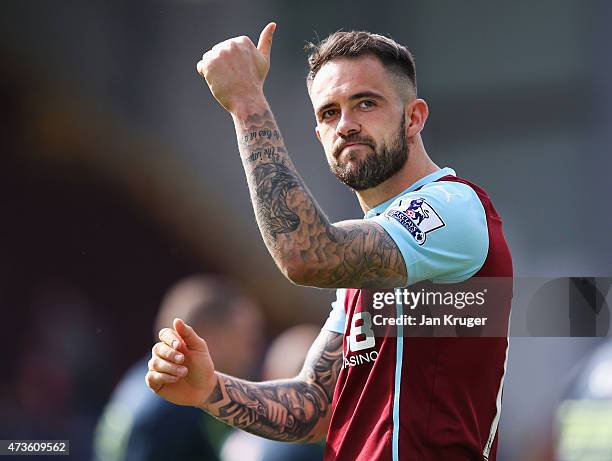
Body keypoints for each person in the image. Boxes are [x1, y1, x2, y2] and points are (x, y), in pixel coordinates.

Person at [146, 23, 513, 460]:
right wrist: (210, 388)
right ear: (319, 136)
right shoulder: (374, 246)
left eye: (366, 103)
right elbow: (316, 406)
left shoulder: (452, 207)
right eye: (328, 113)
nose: (346, 125)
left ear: (413, 117)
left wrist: (246, 102)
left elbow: (304, 255)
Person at [95, 275, 263, 461]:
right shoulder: (175, 406)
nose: (252, 352)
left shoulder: (142, 380)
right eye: (246, 339)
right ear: (207, 337)